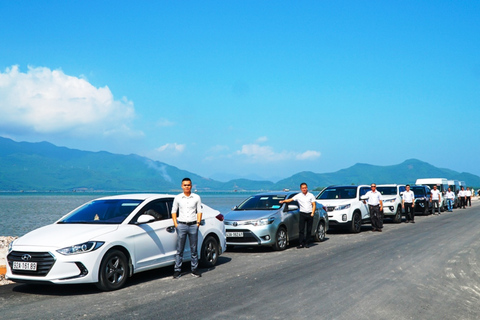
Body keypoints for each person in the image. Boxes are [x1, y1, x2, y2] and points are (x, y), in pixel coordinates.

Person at [171, 178, 203, 278]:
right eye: (185, 185)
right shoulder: (178, 198)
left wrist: (197, 224)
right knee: (179, 249)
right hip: (182, 225)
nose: (187, 187)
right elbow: (173, 211)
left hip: (193, 225)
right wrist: (176, 224)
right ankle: (177, 270)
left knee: (194, 249)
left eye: (188, 185)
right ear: (182, 186)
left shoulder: (196, 197)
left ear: (191, 186)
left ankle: (194, 269)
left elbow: (199, 211)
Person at [279, 182, 316, 248]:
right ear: (301, 189)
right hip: (302, 213)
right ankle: (301, 243)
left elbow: (314, 205)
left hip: (310, 213)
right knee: (301, 229)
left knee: (309, 229)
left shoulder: (311, 195)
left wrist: (312, 213)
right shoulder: (298, 196)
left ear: (307, 188)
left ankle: (307, 243)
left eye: (305, 188)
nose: (304, 189)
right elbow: (291, 199)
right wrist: (283, 201)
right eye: (303, 188)